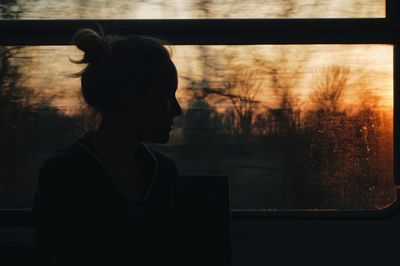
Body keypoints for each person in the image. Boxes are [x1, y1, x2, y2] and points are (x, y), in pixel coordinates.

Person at [33, 27, 188, 266]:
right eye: (166, 96)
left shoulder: (165, 174)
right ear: (131, 96)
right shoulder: (66, 174)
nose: (177, 109)